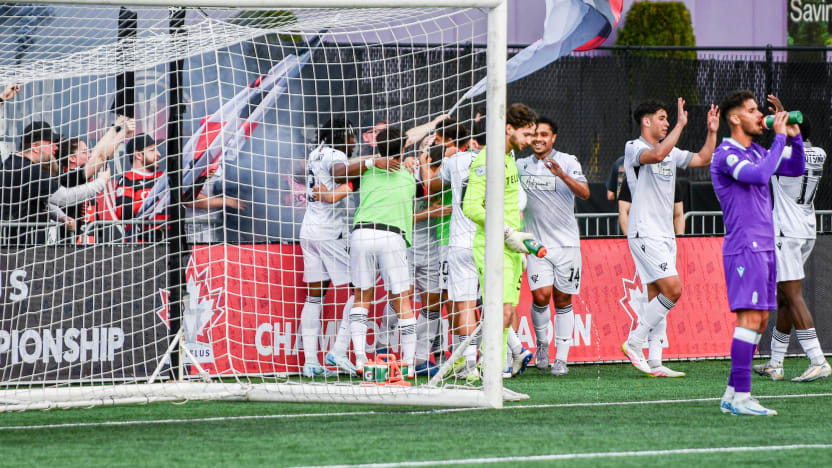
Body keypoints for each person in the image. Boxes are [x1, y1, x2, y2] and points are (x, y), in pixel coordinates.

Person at [712, 90, 804, 416]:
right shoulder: (726, 153)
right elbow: (760, 175)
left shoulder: (757, 150)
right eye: (752, 110)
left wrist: (794, 137)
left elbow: (794, 168)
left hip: (764, 247)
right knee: (749, 318)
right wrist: (779, 137)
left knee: (761, 319)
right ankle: (741, 399)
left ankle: (730, 394)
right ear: (735, 118)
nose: (758, 116)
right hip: (744, 248)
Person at [621, 98, 719, 378]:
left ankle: (655, 361)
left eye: (668, 119)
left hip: (665, 235)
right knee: (673, 290)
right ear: (646, 121)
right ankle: (635, 341)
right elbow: (656, 156)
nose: (666, 123)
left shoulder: (671, 151)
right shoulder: (634, 147)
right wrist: (680, 124)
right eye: (662, 118)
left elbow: (702, 159)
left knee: (657, 295)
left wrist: (712, 132)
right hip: (644, 231)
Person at [753, 101, 831, 383]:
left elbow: (777, 152)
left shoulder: (781, 154)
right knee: (784, 296)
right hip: (807, 229)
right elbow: (797, 141)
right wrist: (785, 115)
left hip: (786, 231)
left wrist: (775, 128)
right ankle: (775, 363)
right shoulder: (819, 153)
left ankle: (817, 360)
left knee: (792, 294)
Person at [332, 126, 419, 375]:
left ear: (376, 147)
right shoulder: (409, 173)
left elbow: (337, 174)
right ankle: (410, 365)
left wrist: (370, 162)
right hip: (392, 236)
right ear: (403, 149)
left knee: (362, 297)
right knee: (402, 299)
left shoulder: (365, 171)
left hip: (361, 234)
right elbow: (431, 187)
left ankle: (360, 360)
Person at [462, 102, 538, 379]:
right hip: (493, 248)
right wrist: (506, 232)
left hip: (511, 248)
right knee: (501, 313)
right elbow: (470, 207)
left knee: (506, 314)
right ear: (509, 129)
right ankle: (484, 370)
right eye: (527, 135)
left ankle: (492, 372)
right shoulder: (487, 160)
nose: (530, 141)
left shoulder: (508, 159)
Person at [516, 116, 589, 376]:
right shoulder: (520, 164)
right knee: (540, 296)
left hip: (567, 245)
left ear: (553, 137)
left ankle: (562, 358)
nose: (538, 139)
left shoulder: (568, 161)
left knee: (563, 299)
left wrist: (562, 175)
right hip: (536, 245)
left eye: (544, 135)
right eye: (534, 135)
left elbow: (585, 193)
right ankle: (542, 345)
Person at [297, 118, 359, 378]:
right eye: (352, 136)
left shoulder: (315, 153)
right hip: (329, 233)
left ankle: (311, 362)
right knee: (361, 289)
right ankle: (339, 350)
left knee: (315, 296)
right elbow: (338, 173)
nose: (355, 141)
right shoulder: (336, 155)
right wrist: (361, 172)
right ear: (344, 135)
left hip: (308, 229)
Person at [1, 121, 109, 245]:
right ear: (35, 147)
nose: (55, 147)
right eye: (50, 143)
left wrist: (60, 216)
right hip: (22, 245)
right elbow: (64, 197)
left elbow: (40, 199)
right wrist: (102, 182)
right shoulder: (30, 169)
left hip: (16, 243)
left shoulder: (12, 162)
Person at [57, 116, 135, 242]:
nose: (89, 155)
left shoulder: (79, 173)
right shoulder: (68, 177)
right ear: (71, 158)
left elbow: (97, 152)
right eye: (84, 152)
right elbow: (99, 157)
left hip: (89, 243)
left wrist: (115, 127)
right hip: (72, 246)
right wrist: (123, 133)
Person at [97, 133, 166, 242]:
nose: (158, 154)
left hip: (168, 242)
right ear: (138, 155)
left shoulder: (164, 178)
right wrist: (155, 202)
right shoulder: (127, 179)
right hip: (140, 246)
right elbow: (124, 212)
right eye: (152, 150)